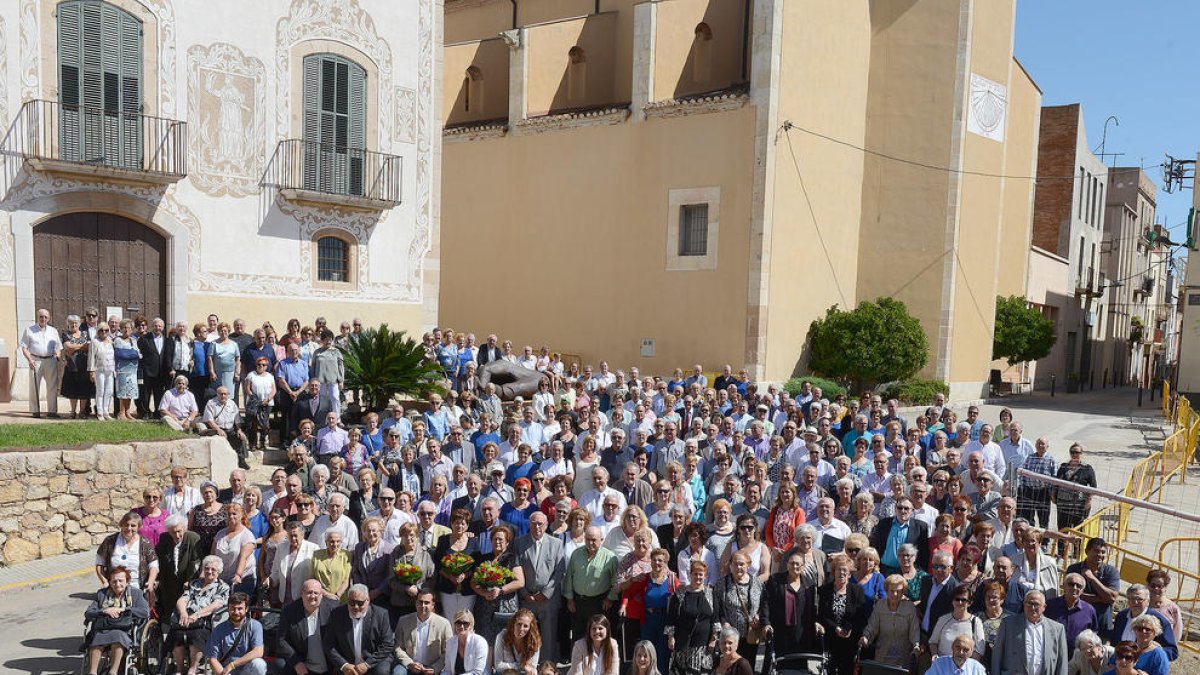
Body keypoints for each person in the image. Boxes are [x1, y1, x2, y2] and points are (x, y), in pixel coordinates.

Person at [515, 512, 565, 665]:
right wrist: (524, 593)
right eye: (534, 523)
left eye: (540, 524)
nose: (537, 527)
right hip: (527, 599)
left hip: (548, 600)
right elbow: (516, 569)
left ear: (546, 525)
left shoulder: (556, 543)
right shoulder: (519, 543)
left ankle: (546, 666)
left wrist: (545, 593)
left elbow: (559, 571)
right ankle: (527, 666)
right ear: (529, 524)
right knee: (526, 634)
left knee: (548, 637)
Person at [167, 555, 230, 675]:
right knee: (176, 633)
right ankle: (179, 669)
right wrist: (183, 613)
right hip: (187, 617)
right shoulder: (195, 584)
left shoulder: (222, 587)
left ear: (219, 572)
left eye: (213, 569)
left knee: (196, 635)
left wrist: (197, 615)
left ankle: (193, 668)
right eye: (207, 568)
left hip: (205, 620)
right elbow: (182, 600)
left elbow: (217, 605)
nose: (209, 571)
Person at [84, 566, 150, 675]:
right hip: (104, 628)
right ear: (109, 582)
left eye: (120, 581)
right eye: (114, 581)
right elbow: (88, 612)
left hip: (125, 630)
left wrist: (123, 610)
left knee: (118, 637)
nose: (117, 584)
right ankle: (92, 672)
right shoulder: (102, 594)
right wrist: (104, 611)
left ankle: (113, 672)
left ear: (127, 581)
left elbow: (145, 612)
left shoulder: (136, 593)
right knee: (97, 638)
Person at [563, 526, 619, 645]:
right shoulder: (576, 554)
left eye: (594, 540)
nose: (590, 543)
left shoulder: (610, 557)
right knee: (578, 637)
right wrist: (569, 599)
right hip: (578, 602)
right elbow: (569, 577)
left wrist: (610, 598)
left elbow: (616, 581)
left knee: (598, 637)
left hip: (599, 603)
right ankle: (579, 662)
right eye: (587, 539)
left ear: (601, 540)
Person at [815, 555, 869, 675]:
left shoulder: (857, 591)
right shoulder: (824, 590)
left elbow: (861, 615)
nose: (842, 572)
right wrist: (835, 628)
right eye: (839, 569)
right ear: (834, 572)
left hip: (850, 639)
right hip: (830, 638)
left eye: (845, 570)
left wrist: (849, 628)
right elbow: (822, 615)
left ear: (850, 574)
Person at [471, 525, 524, 646]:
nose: (498, 542)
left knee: (505, 639)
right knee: (485, 640)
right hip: (485, 605)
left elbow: (520, 581)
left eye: (501, 539)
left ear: (507, 542)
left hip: (505, 606)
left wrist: (500, 590)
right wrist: (485, 593)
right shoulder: (484, 559)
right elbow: (473, 583)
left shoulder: (512, 558)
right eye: (495, 539)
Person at [992, 590, 1067, 675]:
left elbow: (1062, 662)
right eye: (1029, 603)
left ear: (1044, 607)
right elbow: (997, 656)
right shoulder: (1008, 624)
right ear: (1023, 605)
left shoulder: (1057, 629)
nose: (1032, 607)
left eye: (1036, 604)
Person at [326, 584, 395, 675]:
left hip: (375, 660)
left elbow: (387, 644)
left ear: (368, 601)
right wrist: (344, 665)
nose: (356, 607)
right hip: (348, 662)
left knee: (381, 671)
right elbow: (329, 644)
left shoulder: (381, 615)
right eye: (352, 602)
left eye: (360, 603)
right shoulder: (337, 614)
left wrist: (367, 664)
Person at [712, 551, 765, 666]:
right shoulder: (722, 583)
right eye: (735, 564)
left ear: (748, 565)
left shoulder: (757, 583)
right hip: (729, 636)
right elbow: (717, 606)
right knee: (730, 666)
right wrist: (723, 622)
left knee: (747, 666)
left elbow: (763, 604)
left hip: (750, 634)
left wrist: (758, 616)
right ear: (730, 565)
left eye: (741, 564)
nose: (738, 567)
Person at [665, 560, 717, 675]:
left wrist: (714, 639)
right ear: (690, 574)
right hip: (682, 642)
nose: (698, 577)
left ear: (705, 575)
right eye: (695, 574)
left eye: (701, 574)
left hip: (703, 644)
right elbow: (671, 618)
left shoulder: (711, 594)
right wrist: (670, 637)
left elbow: (715, 618)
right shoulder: (680, 593)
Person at [275, 578, 336, 675]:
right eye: (309, 592)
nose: (312, 596)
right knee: (280, 664)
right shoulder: (289, 611)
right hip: (302, 667)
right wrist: (296, 662)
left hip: (330, 667)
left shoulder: (333, 610)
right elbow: (281, 640)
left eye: (316, 593)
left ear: (321, 595)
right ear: (302, 593)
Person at [859, 573, 920, 667]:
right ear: (886, 590)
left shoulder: (910, 607)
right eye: (892, 591)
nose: (895, 594)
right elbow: (872, 625)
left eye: (899, 591)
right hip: (882, 655)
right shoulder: (880, 605)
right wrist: (866, 636)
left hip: (903, 657)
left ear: (903, 591)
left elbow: (914, 629)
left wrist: (916, 645)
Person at [1065, 537, 1121, 634]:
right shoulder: (1073, 569)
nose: (1100, 555)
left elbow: (1111, 598)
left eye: (1103, 552)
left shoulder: (1112, 572)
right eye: (1096, 551)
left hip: (1102, 627)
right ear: (1087, 551)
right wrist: (1101, 598)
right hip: (1078, 624)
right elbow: (1070, 595)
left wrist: (1092, 578)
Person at [1108, 585, 1178, 661]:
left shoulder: (1159, 620)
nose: (1135, 602)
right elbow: (1114, 642)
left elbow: (1172, 652)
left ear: (1148, 602)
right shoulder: (1121, 616)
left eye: (1140, 599)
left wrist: (1153, 653)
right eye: (1132, 598)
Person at [96, 512, 159, 595]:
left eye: (133, 525)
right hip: (114, 588)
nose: (129, 528)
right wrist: (104, 582)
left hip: (138, 589)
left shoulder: (145, 543)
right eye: (126, 525)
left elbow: (153, 565)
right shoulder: (110, 541)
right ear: (121, 525)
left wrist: (150, 582)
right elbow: (99, 564)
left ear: (139, 527)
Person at [204, 592, 266, 675]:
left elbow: (258, 651)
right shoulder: (219, 629)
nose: (236, 612)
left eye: (240, 608)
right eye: (233, 608)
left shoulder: (255, 626)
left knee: (259, 664)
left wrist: (233, 664)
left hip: (246, 671)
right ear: (228, 609)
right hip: (225, 672)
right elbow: (212, 659)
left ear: (246, 609)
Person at [395, 590, 454, 675]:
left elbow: (449, 651)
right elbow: (397, 647)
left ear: (433, 605)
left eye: (426, 603)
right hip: (409, 665)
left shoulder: (444, 624)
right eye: (420, 602)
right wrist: (409, 663)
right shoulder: (404, 621)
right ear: (416, 603)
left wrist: (435, 668)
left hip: (432, 668)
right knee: (397, 673)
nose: (423, 606)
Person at [21, 308, 63, 418]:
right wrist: (29, 360)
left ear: (48, 318)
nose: (43, 319)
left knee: (52, 387)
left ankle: (52, 411)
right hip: (35, 360)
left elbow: (58, 347)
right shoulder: (29, 330)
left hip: (50, 360)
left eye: (45, 317)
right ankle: (35, 411)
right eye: (41, 316)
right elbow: (24, 347)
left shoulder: (53, 330)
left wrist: (58, 355)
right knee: (34, 386)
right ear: (37, 317)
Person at [268, 521, 319, 607]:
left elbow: (317, 575)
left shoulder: (313, 548)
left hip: (304, 597)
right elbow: (275, 572)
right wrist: (270, 580)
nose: (293, 538)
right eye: (290, 536)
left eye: (295, 535)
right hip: (285, 598)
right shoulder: (281, 547)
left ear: (302, 535)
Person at [1046, 573, 1098, 658]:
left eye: (1079, 586)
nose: (1074, 588)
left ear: (1082, 590)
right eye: (1071, 584)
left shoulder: (1089, 610)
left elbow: (1093, 633)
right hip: (1050, 655)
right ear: (1063, 586)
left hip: (1076, 660)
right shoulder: (1050, 605)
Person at [929, 585, 986, 662]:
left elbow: (979, 650)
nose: (960, 602)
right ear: (952, 601)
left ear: (970, 603)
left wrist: (967, 667)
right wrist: (935, 656)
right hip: (943, 666)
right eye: (957, 599)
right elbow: (933, 642)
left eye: (964, 600)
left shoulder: (976, 622)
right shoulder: (943, 620)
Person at [1053, 443, 1096, 532]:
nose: (1074, 454)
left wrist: (1089, 500)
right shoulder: (1063, 466)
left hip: (1078, 506)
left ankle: (1077, 547)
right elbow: (1056, 483)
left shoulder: (1087, 468)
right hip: (1063, 506)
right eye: (1072, 452)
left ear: (1081, 453)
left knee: (1078, 532)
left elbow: (1093, 486)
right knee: (1062, 530)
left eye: (1077, 452)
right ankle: (1061, 546)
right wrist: (1053, 495)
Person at [492, 608, 542, 675]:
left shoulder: (534, 642)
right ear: (513, 624)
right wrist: (521, 666)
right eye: (519, 624)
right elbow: (498, 666)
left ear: (530, 628)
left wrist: (525, 668)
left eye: (525, 626)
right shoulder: (502, 636)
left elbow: (532, 668)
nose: (521, 629)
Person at [443, 609, 489, 675]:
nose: (461, 626)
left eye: (465, 623)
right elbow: (447, 670)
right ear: (454, 624)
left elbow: (478, 672)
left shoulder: (480, 642)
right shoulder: (450, 642)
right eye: (458, 622)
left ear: (471, 625)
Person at [88, 323, 116, 420]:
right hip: (99, 370)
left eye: (106, 330)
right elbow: (91, 357)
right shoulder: (95, 342)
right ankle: (99, 412)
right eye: (101, 330)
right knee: (100, 391)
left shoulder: (111, 341)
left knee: (109, 391)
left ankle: (106, 412)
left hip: (110, 369)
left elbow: (113, 356)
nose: (104, 332)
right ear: (98, 331)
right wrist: (91, 371)